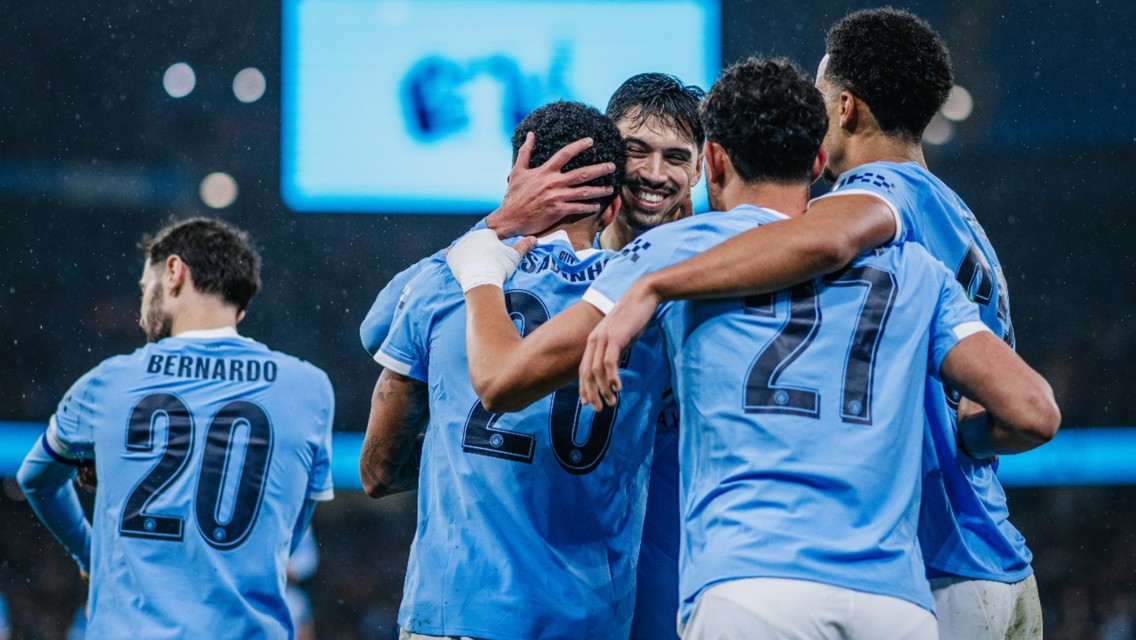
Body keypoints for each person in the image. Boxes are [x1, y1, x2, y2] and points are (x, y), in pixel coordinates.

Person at [446, 56, 1059, 639]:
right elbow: (1033, 412)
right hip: (893, 596)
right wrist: (948, 437)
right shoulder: (912, 267)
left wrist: (480, 270)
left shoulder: (677, 256)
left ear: (710, 164)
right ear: (819, 162)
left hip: (748, 582)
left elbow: (502, 380)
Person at [359, 73, 706, 639]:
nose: (653, 173)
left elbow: (383, 335)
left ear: (698, 171)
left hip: (638, 592)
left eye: (675, 157)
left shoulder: (467, 273)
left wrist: (492, 232)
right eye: (635, 152)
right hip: (591, 607)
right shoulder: (669, 297)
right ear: (607, 169)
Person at [16, 218, 335, 639]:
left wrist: (90, 554)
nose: (143, 300)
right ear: (238, 306)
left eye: (144, 287)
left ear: (173, 272)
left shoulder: (108, 382)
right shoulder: (308, 388)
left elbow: (35, 479)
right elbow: (290, 534)